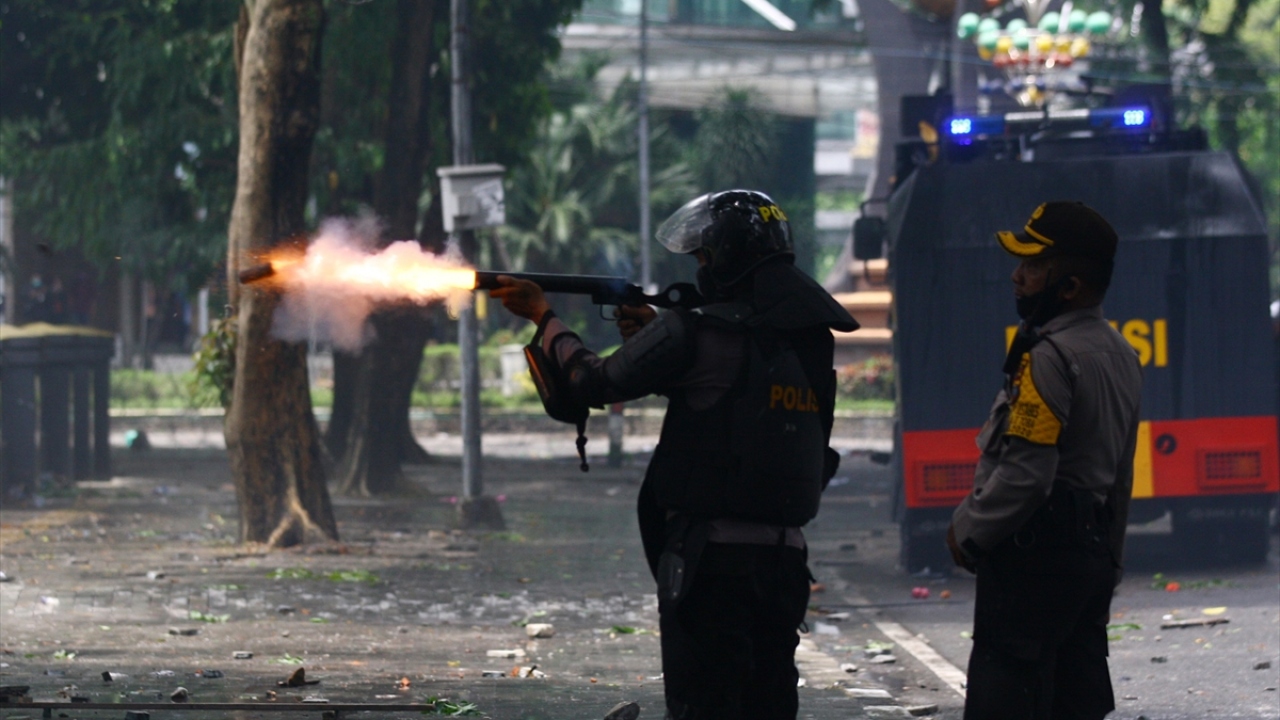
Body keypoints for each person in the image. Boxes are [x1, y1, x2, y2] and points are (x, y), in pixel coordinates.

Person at [490, 190, 859, 720]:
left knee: (702, 705)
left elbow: (591, 381)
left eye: (703, 255)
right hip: (784, 565)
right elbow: (732, 397)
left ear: (724, 259)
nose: (700, 267)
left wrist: (543, 317)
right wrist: (653, 335)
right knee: (769, 705)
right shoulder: (809, 343)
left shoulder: (696, 332)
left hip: (712, 565)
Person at [946, 201, 1143, 720]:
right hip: (1090, 557)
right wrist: (1111, 561)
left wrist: (968, 531)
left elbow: (1027, 474)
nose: (1017, 276)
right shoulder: (1123, 354)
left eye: (1033, 266)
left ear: (1069, 286)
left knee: (1007, 697)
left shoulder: (1048, 358)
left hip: (1036, 562)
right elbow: (1121, 478)